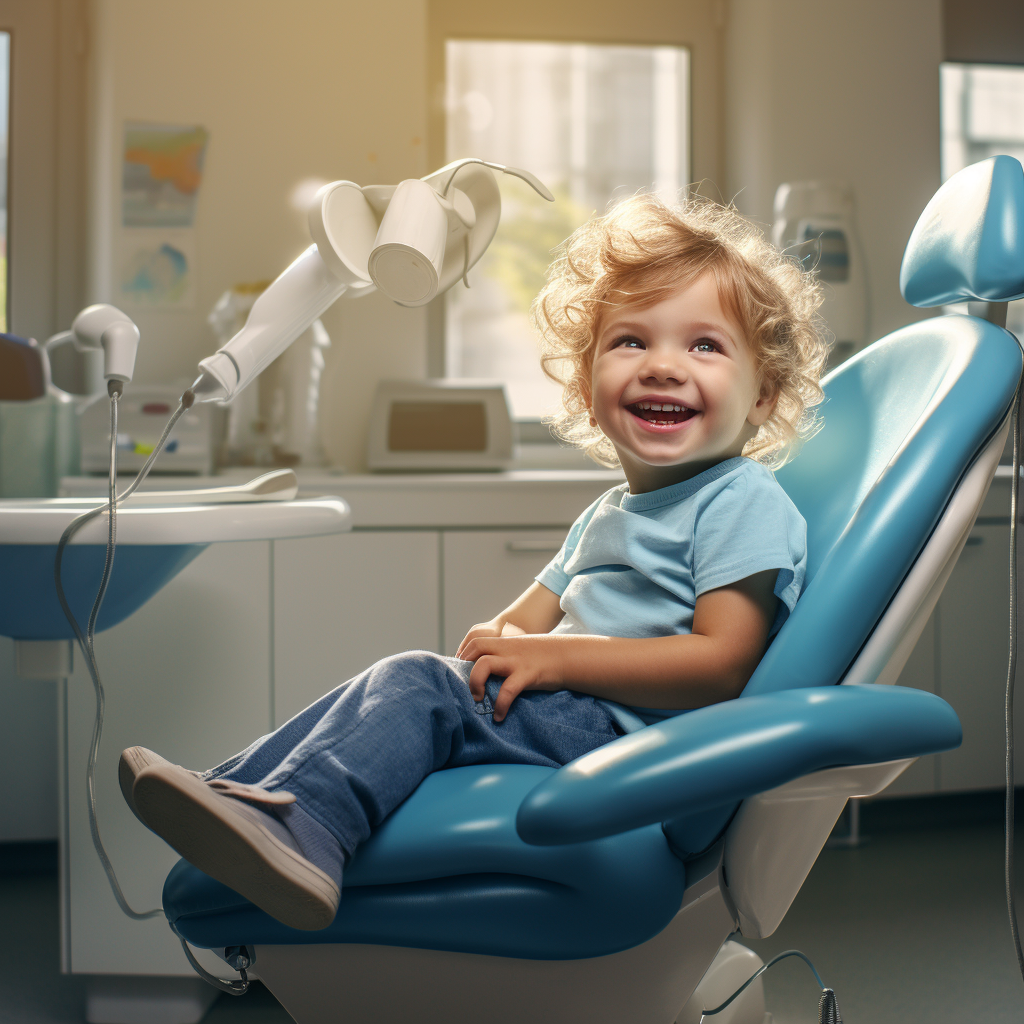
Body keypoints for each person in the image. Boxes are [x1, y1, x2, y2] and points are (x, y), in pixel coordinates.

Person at [121, 192, 828, 932]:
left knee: (417, 682)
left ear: (763, 395)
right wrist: (497, 646)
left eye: (705, 346)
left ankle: (308, 829)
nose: (662, 367)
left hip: (628, 738)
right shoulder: (610, 512)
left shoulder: (738, 498)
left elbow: (724, 663)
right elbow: (522, 617)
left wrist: (552, 663)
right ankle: (237, 795)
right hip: (574, 713)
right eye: (630, 342)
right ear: (588, 391)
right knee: (413, 677)